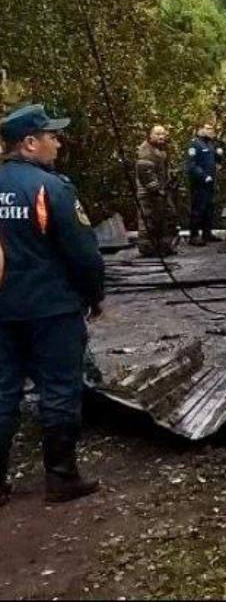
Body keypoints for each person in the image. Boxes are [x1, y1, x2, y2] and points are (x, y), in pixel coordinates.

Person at [0, 104, 104, 505]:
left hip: (3, 310)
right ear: (30, 142)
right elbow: (84, 254)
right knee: (59, 388)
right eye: (51, 136)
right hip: (52, 310)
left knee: (2, 390)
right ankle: (61, 477)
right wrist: (94, 296)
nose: (58, 144)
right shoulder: (52, 189)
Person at [135, 125, 178, 257]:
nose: (161, 137)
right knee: (148, 220)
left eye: (163, 134)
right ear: (150, 135)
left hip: (162, 190)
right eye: (158, 134)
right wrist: (156, 189)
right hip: (148, 193)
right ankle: (147, 249)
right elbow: (145, 174)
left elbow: (163, 169)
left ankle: (163, 247)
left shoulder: (161, 149)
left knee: (167, 218)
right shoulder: (145, 151)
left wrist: (171, 177)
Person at [184, 123, 224, 247]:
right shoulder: (194, 144)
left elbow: (216, 161)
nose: (211, 131)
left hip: (210, 181)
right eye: (208, 129)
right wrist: (203, 176)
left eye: (212, 129)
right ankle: (194, 235)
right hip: (199, 182)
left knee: (209, 208)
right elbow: (191, 165)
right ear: (200, 130)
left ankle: (207, 233)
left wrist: (219, 154)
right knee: (198, 208)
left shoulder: (210, 144)